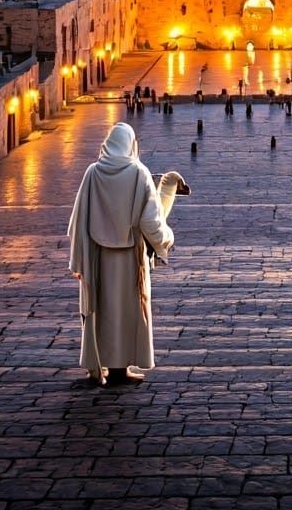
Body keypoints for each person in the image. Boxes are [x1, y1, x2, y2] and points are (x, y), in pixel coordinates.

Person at [68, 122, 174, 386]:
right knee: (125, 312)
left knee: (101, 310)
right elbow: (150, 221)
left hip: (97, 258)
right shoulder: (139, 173)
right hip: (129, 260)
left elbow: (78, 219)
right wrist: (166, 240)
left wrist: (78, 260)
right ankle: (118, 370)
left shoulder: (92, 173)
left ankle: (101, 365)